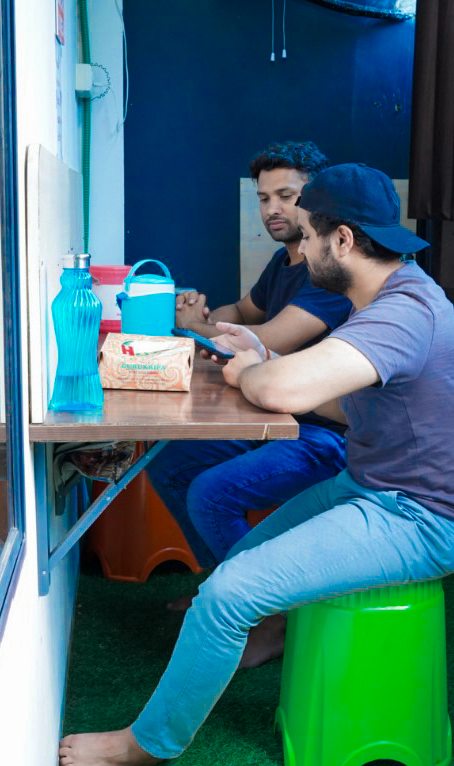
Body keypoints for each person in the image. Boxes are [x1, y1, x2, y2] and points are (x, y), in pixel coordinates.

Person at [59, 163, 454, 766]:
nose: (298, 247)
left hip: (426, 519)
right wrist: (262, 358)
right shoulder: (384, 297)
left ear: (341, 240)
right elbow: (342, 399)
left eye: (308, 236)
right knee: (230, 574)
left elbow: (283, 391)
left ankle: (148, 743)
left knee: (227, 595)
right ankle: (270, 635)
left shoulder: (404, 311)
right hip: (371, 488)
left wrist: (256, 374)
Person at [148, 142, 351, 630]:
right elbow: (239, 315)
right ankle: (223, 587)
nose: (273, 208)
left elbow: (266, 340)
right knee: (169, 462)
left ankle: (265, 616)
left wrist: (199, 328)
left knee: (209, 493)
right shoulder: (282, 263)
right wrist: (201, 318)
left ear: (315, 200)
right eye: (263, 198)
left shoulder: (324, 274)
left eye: (286, 195)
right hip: (277, 416)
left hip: (327, 434)